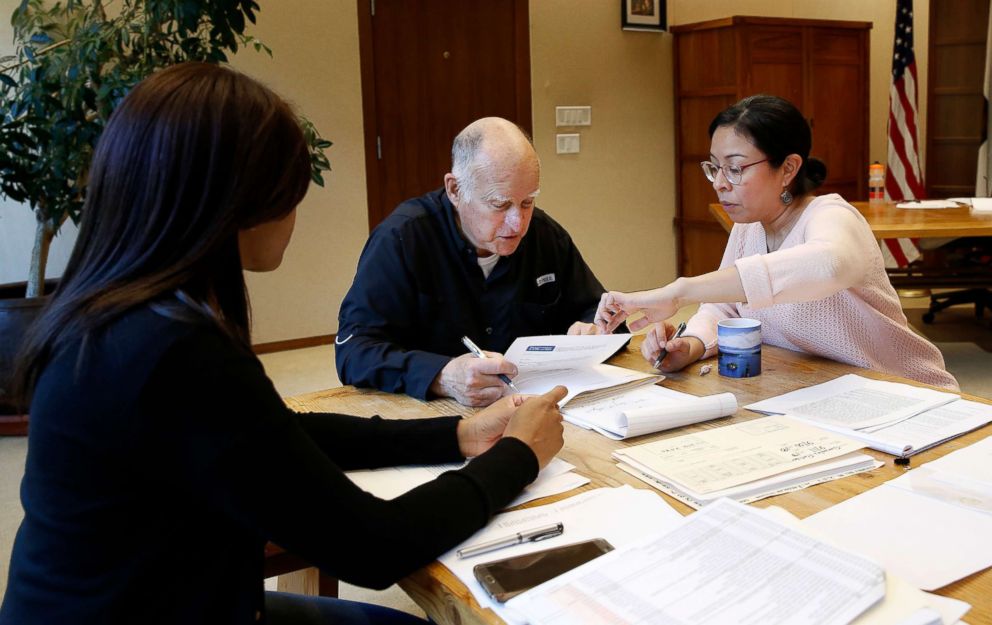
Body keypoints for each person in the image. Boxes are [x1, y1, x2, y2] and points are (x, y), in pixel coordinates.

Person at [0, 63, 567, 625]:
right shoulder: (176, 353)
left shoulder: (119, 314)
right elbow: (373, 545)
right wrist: (519, 457)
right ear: (237, 204)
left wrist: (456, 433)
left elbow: (274, 434)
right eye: (293, 193)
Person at [595, 95, 958, 391]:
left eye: (735, 168)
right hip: (820, 392)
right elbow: (725, 310)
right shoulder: (750, 226)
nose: (720, 182)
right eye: (714, 167)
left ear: (788, 168)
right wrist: (689, 347)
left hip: (904, 395)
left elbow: (826, 264)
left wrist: (680, 291)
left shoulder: (832, 217)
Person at [336, 117, 612, 407]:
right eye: (499, 204)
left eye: (527, 202)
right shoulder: (402, 239)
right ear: (455, 190)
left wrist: (591, 328)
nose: (517, 223)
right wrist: (441, 376)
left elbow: (594, 307)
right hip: (432, 420)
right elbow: (354, 352)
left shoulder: (545, 235)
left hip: (534, 410)